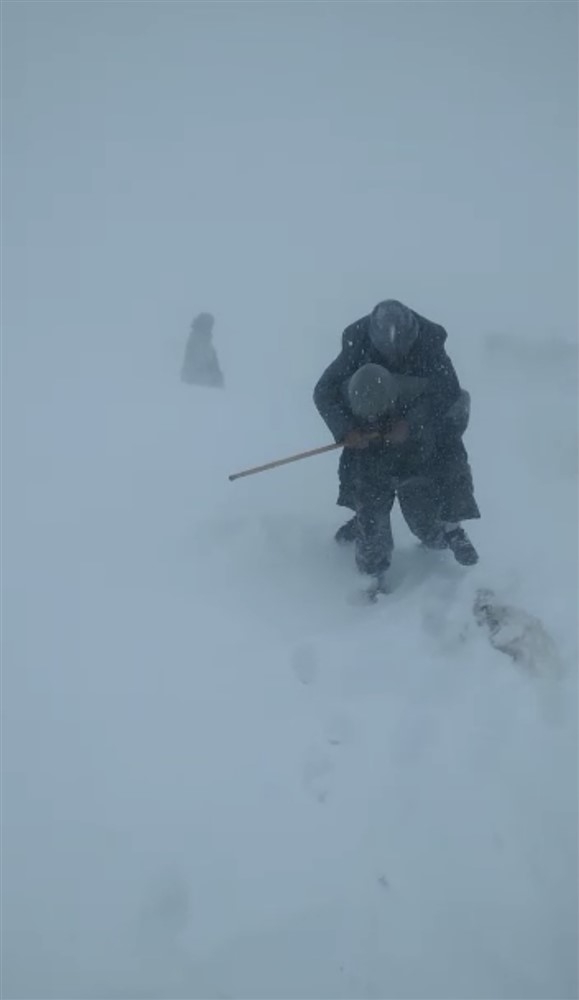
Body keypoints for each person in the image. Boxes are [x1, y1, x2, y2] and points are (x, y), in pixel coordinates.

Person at [313, 299, 480, 588]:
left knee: (424, 522)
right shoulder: (357, 343)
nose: (396, 354)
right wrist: (347, 430)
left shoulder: (430, 345)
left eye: (402, 347)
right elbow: (324, 392)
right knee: (371, 514)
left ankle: (448, 531)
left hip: (419, 445)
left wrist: (411, 426)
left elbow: (448, 396)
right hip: (370, 441)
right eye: (387, 349)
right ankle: (371, 577)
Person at [180, 312, 224, 388]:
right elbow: (195, 364)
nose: (210, 328)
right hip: (196, 383)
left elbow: (214, 364)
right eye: (208, 325)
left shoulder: (207, 343)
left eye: (211, 325)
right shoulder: (196, 340)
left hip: (205, 383)